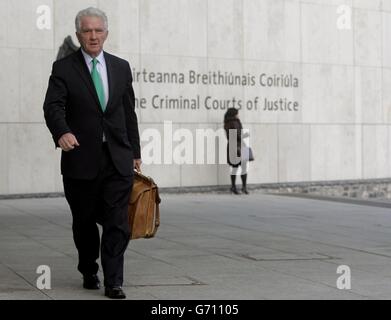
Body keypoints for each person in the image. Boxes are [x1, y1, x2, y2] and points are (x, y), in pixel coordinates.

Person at [43, 7, 141, 299]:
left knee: (117, 221)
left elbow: (128, 113)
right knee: (84, 221)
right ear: (78, 35)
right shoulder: (63, 68)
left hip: (117, 158)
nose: (93, 36)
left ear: (106, 33)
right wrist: (62, 131)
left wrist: (135, 151)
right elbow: (52, 106)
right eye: (87, 31)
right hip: (80, 158)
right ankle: (88, 267)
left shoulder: (121, 67)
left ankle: (114, 281)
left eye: (98, 30)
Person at [224, 108, 250, 195]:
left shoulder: (227, 122)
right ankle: (244, 187)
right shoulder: (235, 122)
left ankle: (233, 186)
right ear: (234, 114)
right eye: (237, 113)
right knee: (244, 167)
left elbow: (230, 136)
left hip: (232, 146)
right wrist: (245, 135)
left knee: (234, 167)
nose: (238, 115)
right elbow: (237, 135)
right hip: (239, 146)